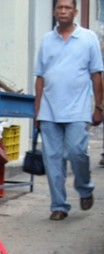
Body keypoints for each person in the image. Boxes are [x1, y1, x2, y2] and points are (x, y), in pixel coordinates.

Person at [34, 0, 102, 221]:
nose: (63, 11)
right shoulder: (46, 40)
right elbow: (40, 78)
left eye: (67, 7)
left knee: (77, 152)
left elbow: (97, 75)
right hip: (49, 110)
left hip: (77, 109)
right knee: (52, 160)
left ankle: (85, 187)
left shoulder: (88, 38)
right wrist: (37, 112)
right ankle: (59, 206)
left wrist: (99, 106)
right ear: (54, 11)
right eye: (59, 7)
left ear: (75, 11)